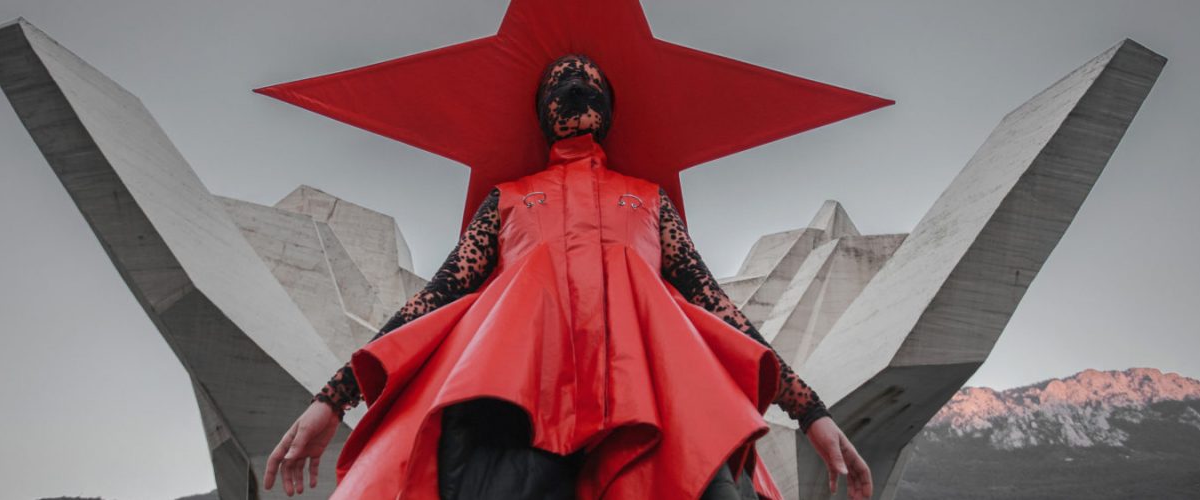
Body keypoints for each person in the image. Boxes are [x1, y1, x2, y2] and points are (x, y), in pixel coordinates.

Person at [263, 54, 873, 500]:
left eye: (589, 80)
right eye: (559, 80)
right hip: (511, 411)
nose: (576, 84)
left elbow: (715, 306)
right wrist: (332, 398)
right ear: (542, 112)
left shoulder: (648, 201)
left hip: (653, 407)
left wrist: (810, 412)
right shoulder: (507, 201)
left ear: (609, 110)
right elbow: (437, 297)